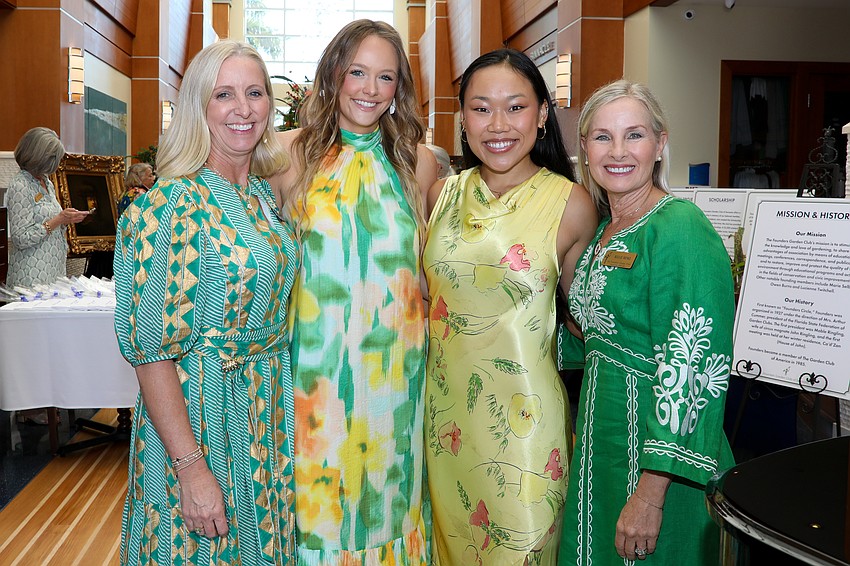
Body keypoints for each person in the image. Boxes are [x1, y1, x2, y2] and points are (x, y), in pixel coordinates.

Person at [113, 40, 298, 565]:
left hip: (266, 421)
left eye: (255, 93)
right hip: (200, 424)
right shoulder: (167, 205)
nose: (243, 108)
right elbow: (151, 353)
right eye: (224, 95)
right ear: (198, 107)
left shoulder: (262, 197)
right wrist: (191, 467)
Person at [268, 19, 437, 565]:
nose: (369, 88)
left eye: (384, 77)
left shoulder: (420, 161)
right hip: (314, 379)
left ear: (398, 90)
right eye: (357, 72)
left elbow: (430, 270)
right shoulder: (289, 155)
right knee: (319, 508)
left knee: (390, 501)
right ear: (333, 75)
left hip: (396, 378)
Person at [423, 49, 598, 565]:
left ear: (543, 114)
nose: (497, 125)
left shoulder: (571, 204)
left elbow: (585, 318)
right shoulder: (439, 195)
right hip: (445, 426)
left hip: (525, 431)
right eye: (480, 108)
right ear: (462, 119)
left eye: (515, 107)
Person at [559, 80, 735, 565]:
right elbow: (593, 335)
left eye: (634, 135)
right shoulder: (601, 231)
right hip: (603, 443)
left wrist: (650, 495)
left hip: (661, 460)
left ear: (659, 143)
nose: (618, 151)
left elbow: (694, 367)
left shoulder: (679, 228)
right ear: (585, 149)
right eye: (601, 137)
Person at [6, 127, 89, 288]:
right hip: (31, 274)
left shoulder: (46, 182)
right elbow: (20, 238)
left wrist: (66, 220)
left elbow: (49, 221)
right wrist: (58, 219)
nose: (56, 164)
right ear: (40, 157)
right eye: (54, 158)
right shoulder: (20, 185)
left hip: (53, 268)